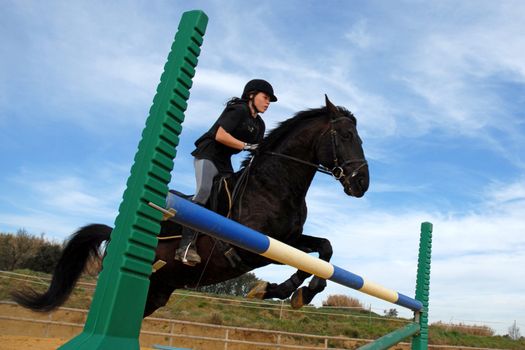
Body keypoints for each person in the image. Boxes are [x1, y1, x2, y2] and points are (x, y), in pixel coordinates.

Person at [175, 79, 278, 265]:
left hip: (224, 163)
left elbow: (258, 151)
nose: (268, 102)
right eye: (265, 97)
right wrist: (248, 146)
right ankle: (186, 245)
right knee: (204, 192)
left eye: (269, 100)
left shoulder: (260, 125)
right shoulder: (238, 110)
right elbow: (220, 135)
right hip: (208, 155)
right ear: (251, 95)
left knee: (229, 197)